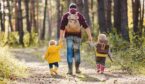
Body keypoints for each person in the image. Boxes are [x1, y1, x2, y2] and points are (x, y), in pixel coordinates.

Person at [59, 3, 92, 75]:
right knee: (77, 52)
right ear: (76, 9)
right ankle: (77, 69)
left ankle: (70, 70)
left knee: (69, 52)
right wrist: (90, 36)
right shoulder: (79, 16)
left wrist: (61, 38)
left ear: (69, 9)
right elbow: (86, 26)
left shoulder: (66, 15)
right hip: (77, 37)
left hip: (68, 37)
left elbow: (62, 27)